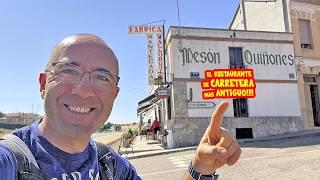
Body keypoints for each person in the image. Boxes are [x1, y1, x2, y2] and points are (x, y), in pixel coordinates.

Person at [0, 34, 241, 179]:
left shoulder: (111, 165)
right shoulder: (10, 161)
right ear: (43, 83)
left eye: (102, 78)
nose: (84, 90)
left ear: (114, 95)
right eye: (69, 71)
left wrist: (201, 168)